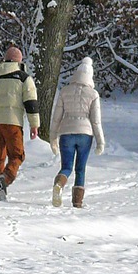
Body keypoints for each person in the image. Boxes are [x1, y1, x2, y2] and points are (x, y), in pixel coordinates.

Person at [0, 46, 40, 201]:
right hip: (13, 122)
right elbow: (31, 103)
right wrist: (34, 124)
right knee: (17, 156)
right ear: (19, 61)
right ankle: (5, 178)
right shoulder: (24, 78)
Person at [49, 56, 105, 208]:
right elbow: (96, 121)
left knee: (66, 167)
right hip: (85, 135)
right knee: (80, 169)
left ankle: (59, 185)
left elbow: (56, 117)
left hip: (66, 133)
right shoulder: (93, 94)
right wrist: (100, 142)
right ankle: (77, 202)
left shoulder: (65, 91)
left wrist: (52, 137)